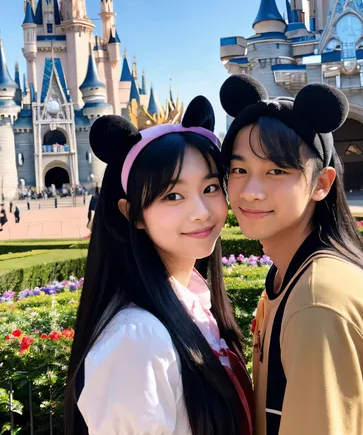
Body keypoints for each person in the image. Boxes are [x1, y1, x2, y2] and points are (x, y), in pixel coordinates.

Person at [220, 74, 363, 435]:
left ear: (322, 183)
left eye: (276, 170)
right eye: (239, 169)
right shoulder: (290, 275)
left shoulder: (317, 302)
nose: (250, 191)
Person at [64, 98, 253, 435]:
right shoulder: (136, 338)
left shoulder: (194, 300)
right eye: (173, 196)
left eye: (210, 188)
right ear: (131, 212)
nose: (201, 211)